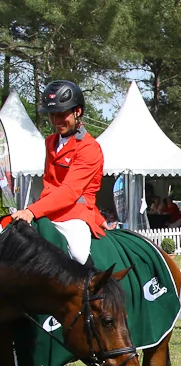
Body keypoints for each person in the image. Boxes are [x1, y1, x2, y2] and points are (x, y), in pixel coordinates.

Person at [9, 80, 107, 263]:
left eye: (62, 115)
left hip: (74, 214)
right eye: (52, 115)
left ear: (77, 112)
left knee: (79, 254)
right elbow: (50, 182)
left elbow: (70, 191)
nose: (56, 121)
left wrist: (32, 211)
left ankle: (89, 290)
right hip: (48, 210)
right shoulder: (50, 141)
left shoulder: (89, 148)